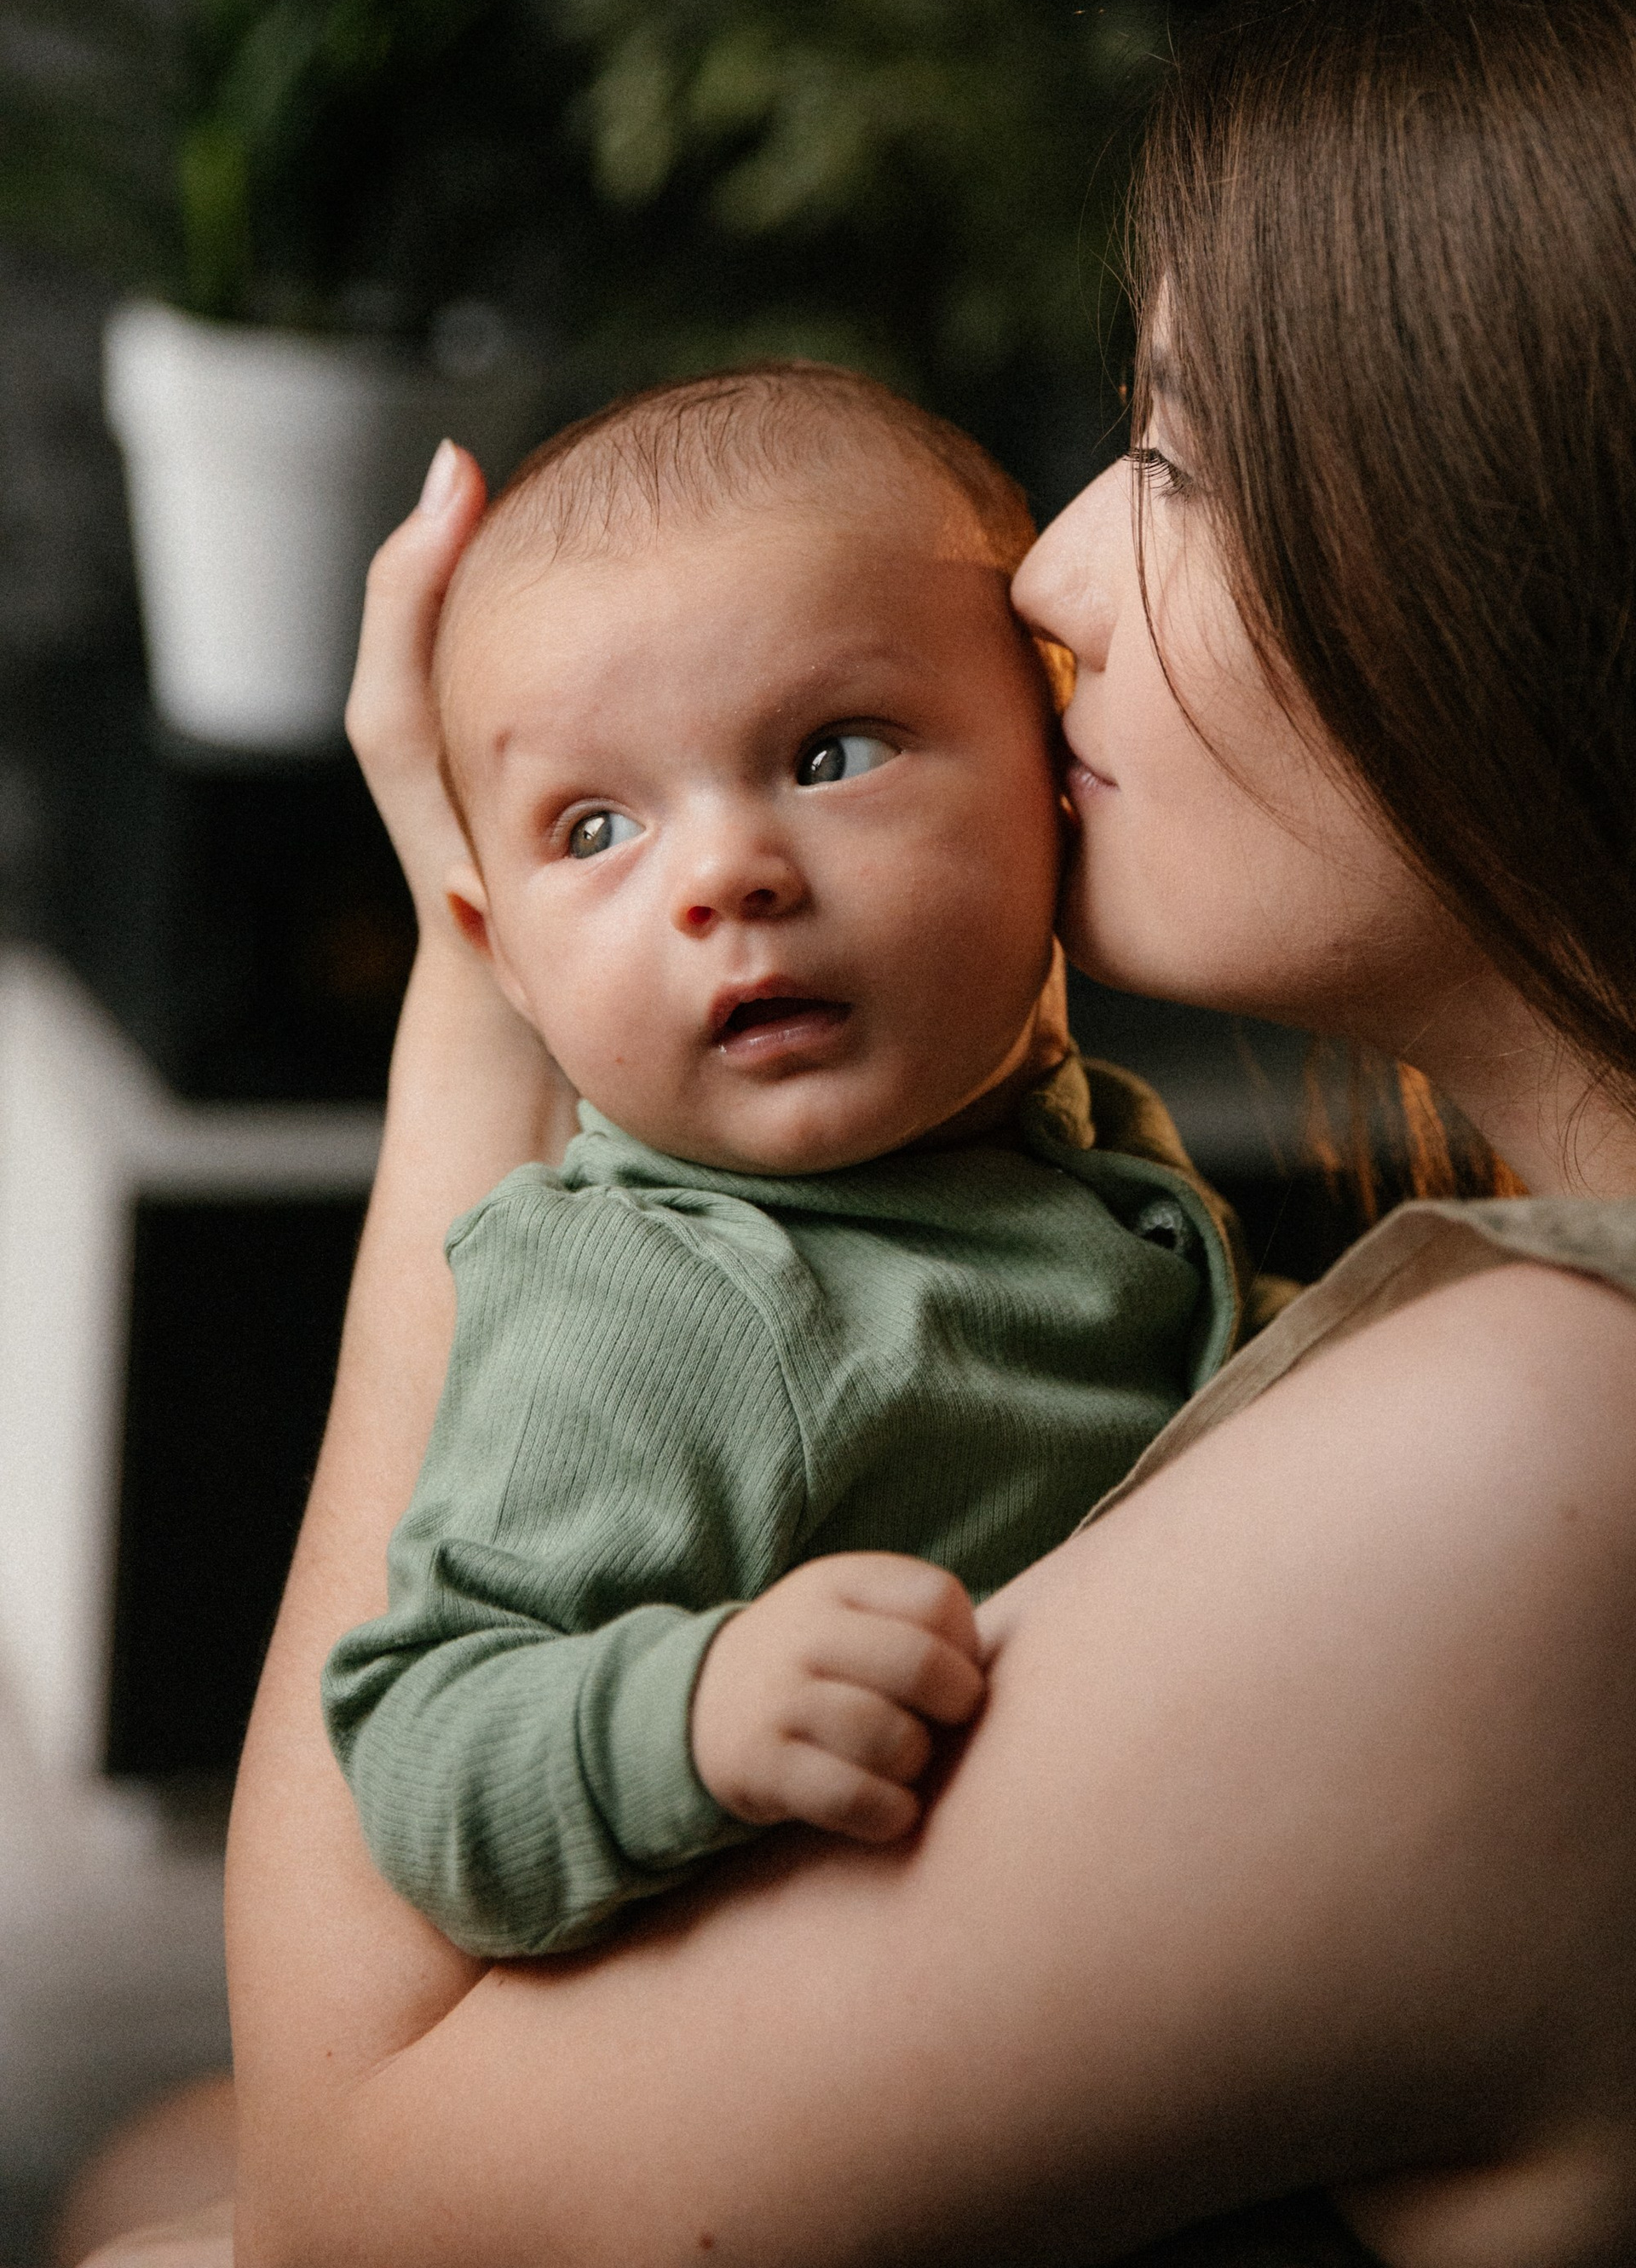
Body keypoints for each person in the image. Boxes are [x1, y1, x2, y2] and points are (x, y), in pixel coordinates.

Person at [194, 0, 1636, 2268]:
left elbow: (362, 2201)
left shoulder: (1619, 1460)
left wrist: (484, 984)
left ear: (1561, 584)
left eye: (1184, 458)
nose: (1045, 576)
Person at [322, 363, 1252, 1960]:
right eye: (596, 830)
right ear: (504, 956)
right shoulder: (654, 1298)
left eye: (830, 756)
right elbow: (421, 1741)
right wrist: (689, 1711)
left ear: (1056, 767)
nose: (724, 875)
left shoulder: (1052, 1155)